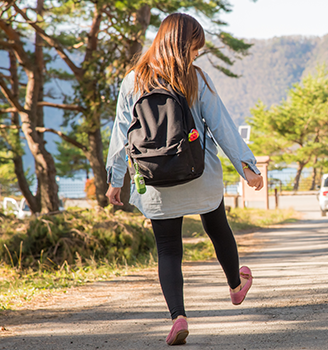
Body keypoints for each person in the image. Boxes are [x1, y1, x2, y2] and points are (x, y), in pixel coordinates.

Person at [105, 13, 264, 346]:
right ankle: (235, 286)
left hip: (154, 180)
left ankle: (178, 316)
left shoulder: (134, 79)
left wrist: (115, 178)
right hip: (199, 173)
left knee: (168, 250)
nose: (196, 54)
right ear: (184, 44)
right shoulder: (194, 79)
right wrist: (246, 167)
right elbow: (221, 125)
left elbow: (121, 134)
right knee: (218, 226)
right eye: (195, 47)